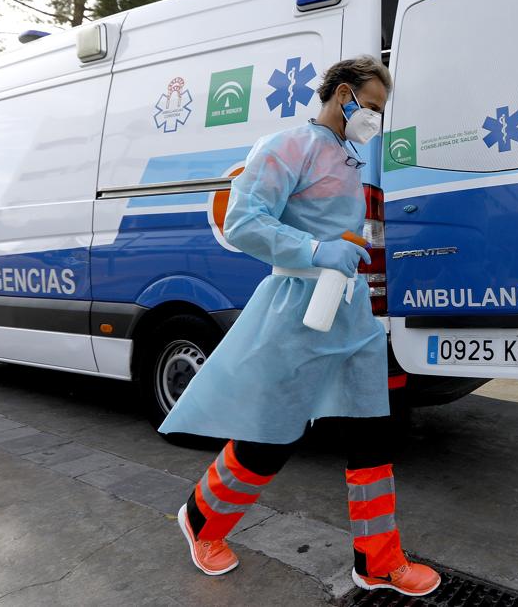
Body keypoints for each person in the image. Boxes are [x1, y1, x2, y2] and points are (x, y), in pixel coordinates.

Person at [159, 56, 441, 598]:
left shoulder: (351, 155)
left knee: (371, 436)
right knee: (271, 437)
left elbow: (340, 229)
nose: (376, 118)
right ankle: (201, 520)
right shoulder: (288, 146)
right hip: (297, 309)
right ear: (342, 94)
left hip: (350, 312)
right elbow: (243, 222)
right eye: (372, 106)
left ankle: (377, 561)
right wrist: (315, 248)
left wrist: (352, 251)